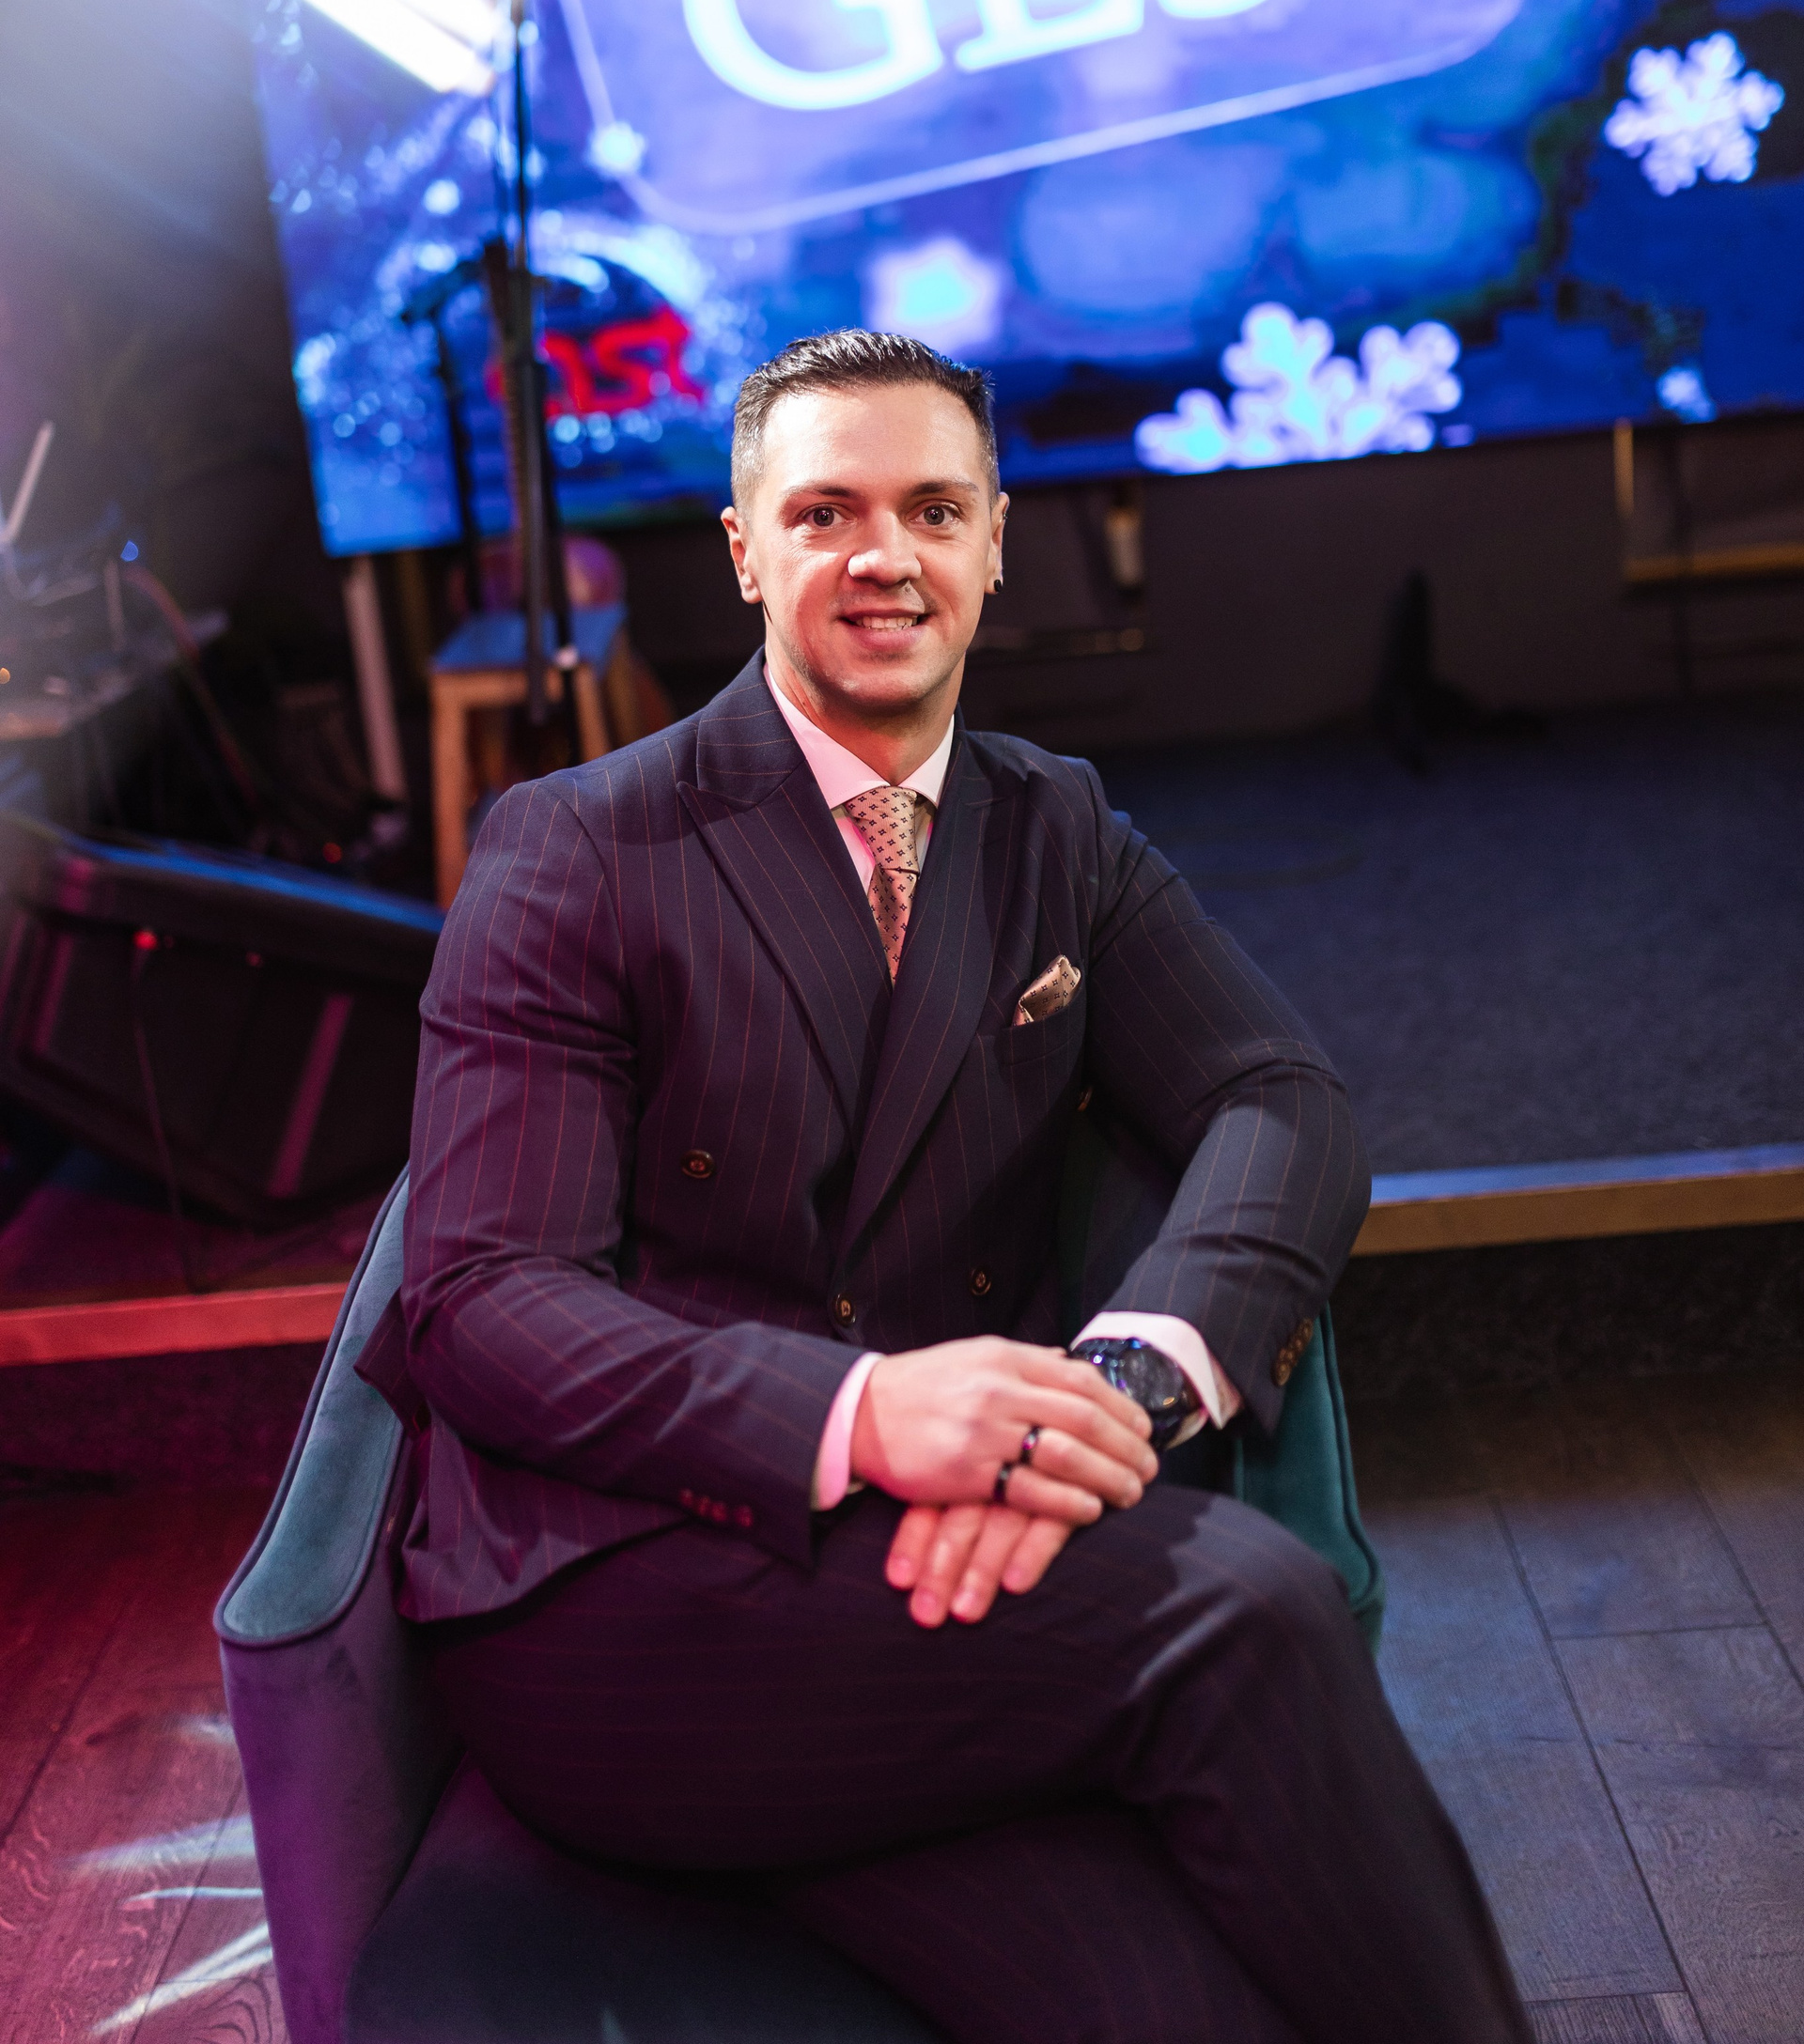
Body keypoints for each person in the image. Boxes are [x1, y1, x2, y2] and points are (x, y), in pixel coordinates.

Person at [359, 329, 1530, 2044]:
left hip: (940, 1581)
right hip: (633, 1602)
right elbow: (481, 1304)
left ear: (993, 545)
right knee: (1242, 1609)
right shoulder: (579, 844)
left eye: (930, 509)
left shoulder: (1058, 826)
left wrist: (1119, 1386)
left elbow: (1282, 1097)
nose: (882, 556)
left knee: (1170, 2014)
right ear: (744, 549)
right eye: (825, 512)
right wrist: (860, 1414)